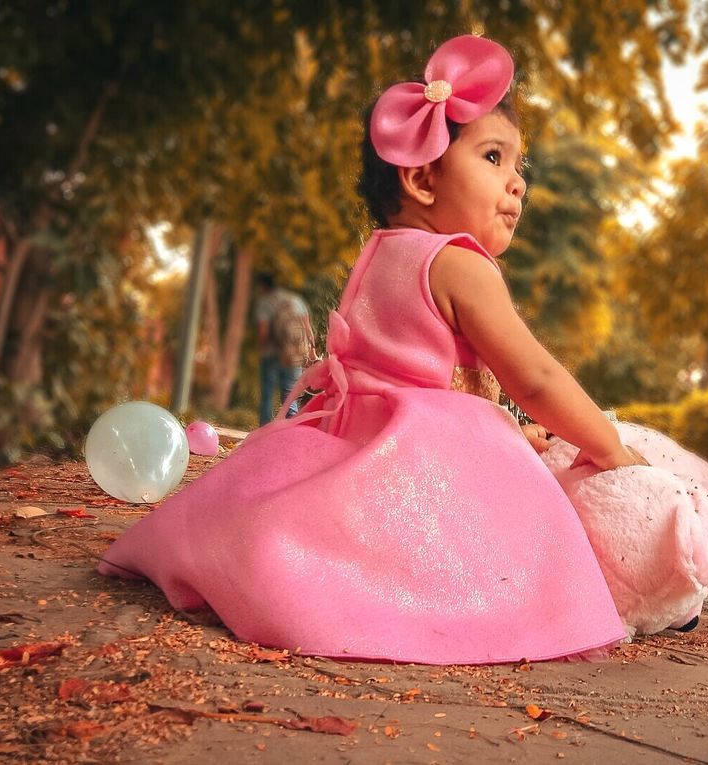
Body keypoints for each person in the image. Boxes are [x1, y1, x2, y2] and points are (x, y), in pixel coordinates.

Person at [100, 35, 647, 664]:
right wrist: (609, 448)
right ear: (419, 177)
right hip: (419, 457)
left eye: (521, 165)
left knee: (285, 521)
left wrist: (503, 437)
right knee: (507, 546)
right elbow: (537, 380)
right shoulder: (461, 265)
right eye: (494, 157)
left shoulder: (380, 253)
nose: (517, 183)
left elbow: (413, 371)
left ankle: (262, 563)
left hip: (357, 439)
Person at [253, 273, 315, 423]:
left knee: (267, 397)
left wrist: (262, 349)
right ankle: (292, 435)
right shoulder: (295, 300)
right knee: (290, 398)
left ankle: (264, 435)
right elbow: (307, 328)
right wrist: (311, 350)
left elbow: (263, 331)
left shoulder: (265, 301)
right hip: (294, 355)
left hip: (272, 355)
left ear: (262, 287)